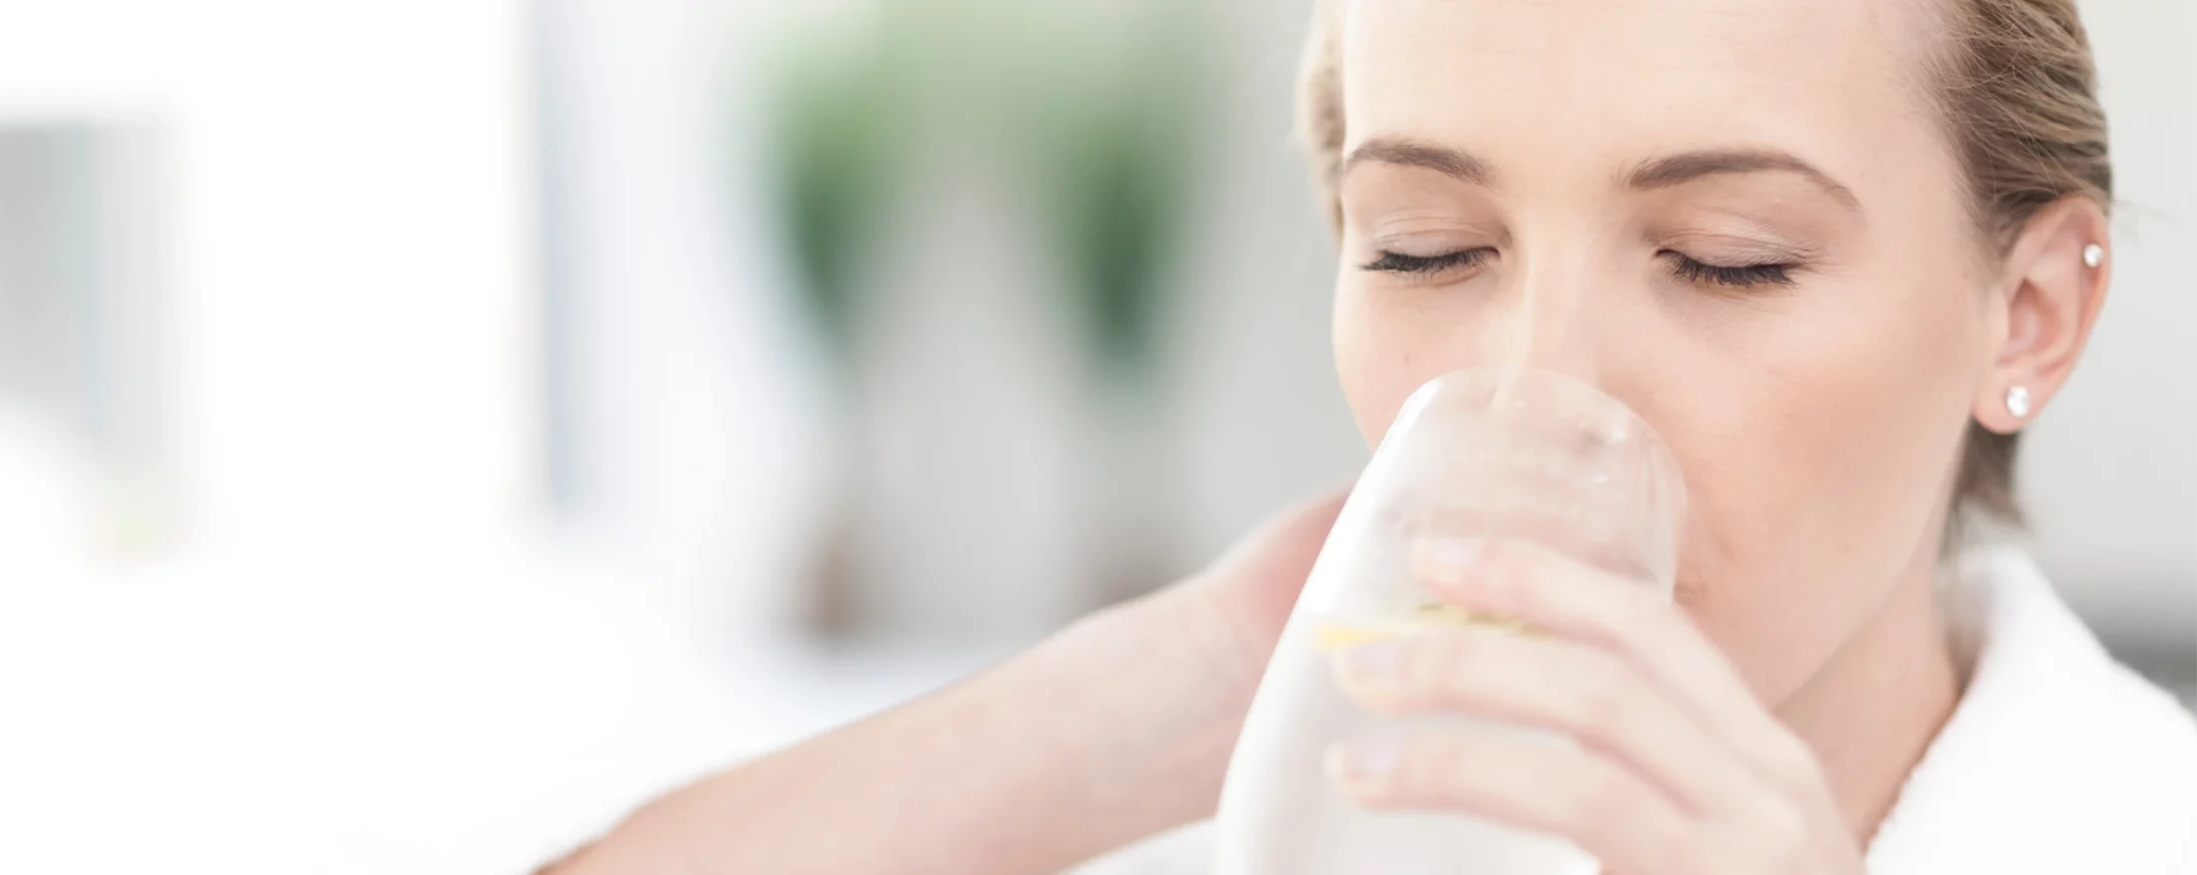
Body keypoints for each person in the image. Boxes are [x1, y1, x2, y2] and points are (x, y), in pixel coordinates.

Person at [544, 0, 2197, 871]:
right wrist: (1144, 701)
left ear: (2029, 310)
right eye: (1424, 247)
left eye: (1725, 259)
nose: (1547, 384)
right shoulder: (1291, 809)